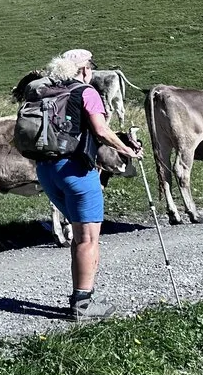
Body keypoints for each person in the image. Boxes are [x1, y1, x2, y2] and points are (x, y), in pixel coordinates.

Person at [35, 49, 142, 321]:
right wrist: (128, 151)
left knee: (80, 233)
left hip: (47, 170)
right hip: (77, 171)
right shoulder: (86, 92)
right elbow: (102, 131)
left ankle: (82, 293)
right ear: (84, 70)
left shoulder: (45, 92)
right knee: (88, 237)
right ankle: (82, 304)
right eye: (91, 67)